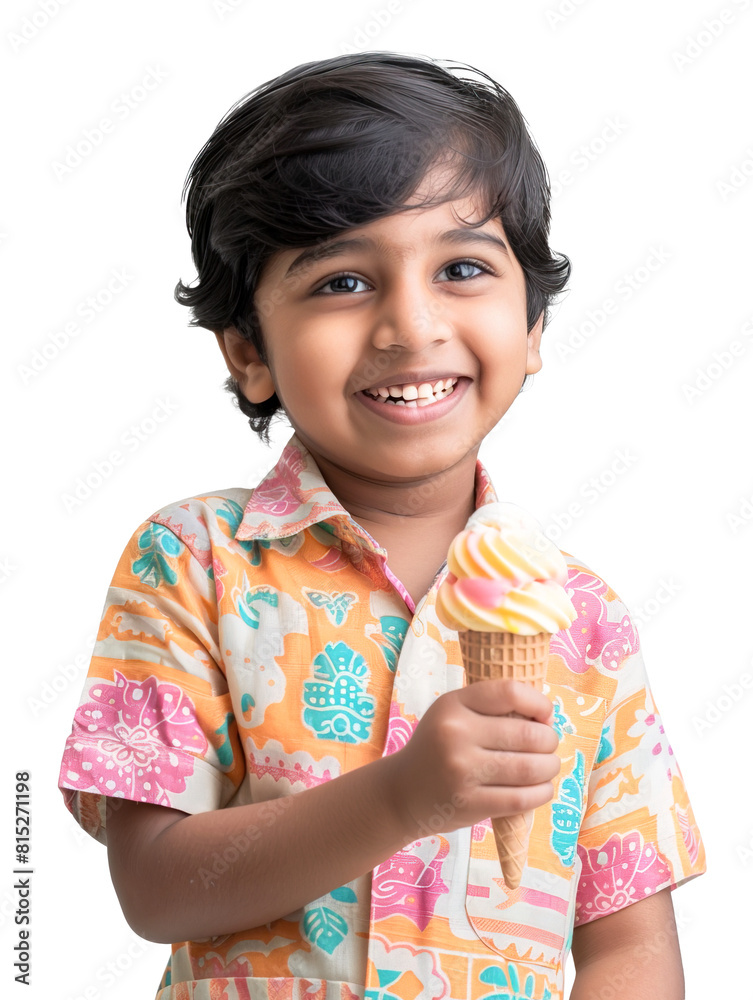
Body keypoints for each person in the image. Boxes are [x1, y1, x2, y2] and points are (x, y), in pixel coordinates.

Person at [57, 52, 705, 1000]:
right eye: (341, 283)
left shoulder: (584, 620)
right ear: (248, 351)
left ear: (530, 327)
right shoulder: (194, 559)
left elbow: (628, 945)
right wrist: (403, 798)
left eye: (462, 268)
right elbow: (155, 887)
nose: (410, 322)